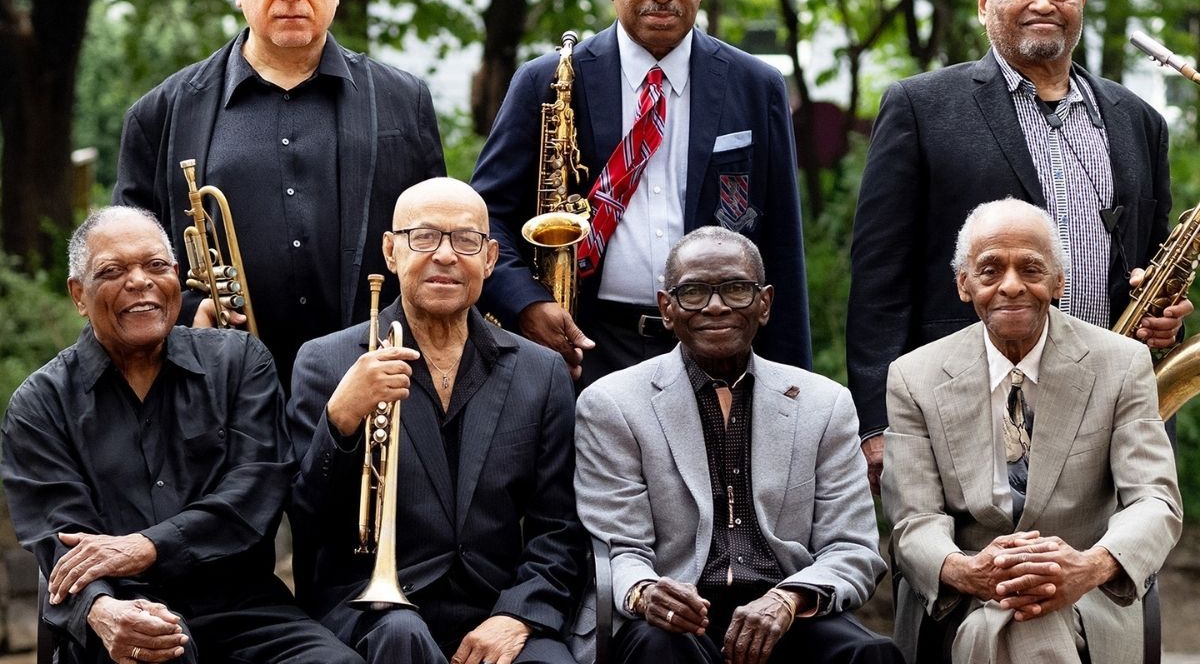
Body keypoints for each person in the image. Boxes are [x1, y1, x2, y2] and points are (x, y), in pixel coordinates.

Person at [846, 0, 1192, 493]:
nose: (1042, 4)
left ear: (1080, 3)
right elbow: (880, 280)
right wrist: (878, 423)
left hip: (1115, 408)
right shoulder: (920, 107)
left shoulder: (1139, 120)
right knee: (971, 577)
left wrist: (1162, 317)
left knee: (1118, 577)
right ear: (984, 1)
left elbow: (1149, 263)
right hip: (967, 408)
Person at [0, 206, 363, 664]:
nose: (139, 281)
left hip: (244, 610)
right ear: (78, 294)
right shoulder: (40, 404)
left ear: (175, 275)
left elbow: (256, 494)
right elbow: (62, 542)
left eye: (155, 266)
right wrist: (104, 609)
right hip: (121, 616)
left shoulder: (240, 363)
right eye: (113, 271)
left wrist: (148, 545)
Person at [471, 0, 810, 388]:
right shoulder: (544, 81)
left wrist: (793, 386)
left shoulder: (757, 85)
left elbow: (781, 242)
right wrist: (527, 304)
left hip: (718, 350)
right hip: (583, 349)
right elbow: (485, 219)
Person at [113, 0, 445, 391]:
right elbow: (125, 265)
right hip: (219, 394)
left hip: (377, 385)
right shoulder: (160, 114)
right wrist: (186, 315)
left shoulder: (405, 101)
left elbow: (438, 237)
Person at [286, 178, 585, 664]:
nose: (446, 255)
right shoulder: (325, 361)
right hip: (373, 609)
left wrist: (517, 615)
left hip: (497, 605)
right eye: (423, 237)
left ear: (489, 259)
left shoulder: (541, 371)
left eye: (465, 241)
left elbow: (560, 527)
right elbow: (307, 518)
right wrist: (340, 419)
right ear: (390, 251)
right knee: (401, 637)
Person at [574, 226, 901, 664]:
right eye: (693, 292)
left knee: (871, 655)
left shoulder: (824, 405)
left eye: (736, 289)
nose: (715, 306)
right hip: (677, 617)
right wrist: (647, 592)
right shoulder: (612, 404)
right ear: (666, 309)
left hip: (787, 607)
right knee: (660, 649)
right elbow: (618, 549)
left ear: (763, 303)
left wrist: (788, 600)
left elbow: (852, 548)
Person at [882, 198, 1182, 664]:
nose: (1011, 286)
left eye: (1031, 268)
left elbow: (1154, 501)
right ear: (963, 284)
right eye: (989, 270)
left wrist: (1090, 565)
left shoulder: (1121, 363)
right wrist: (968, 570)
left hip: (1089, 595)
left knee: (1008, 627)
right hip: (963, 596)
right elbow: (913, 521)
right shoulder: (913, 377)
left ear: (1059, 281)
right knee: (1014, 623)